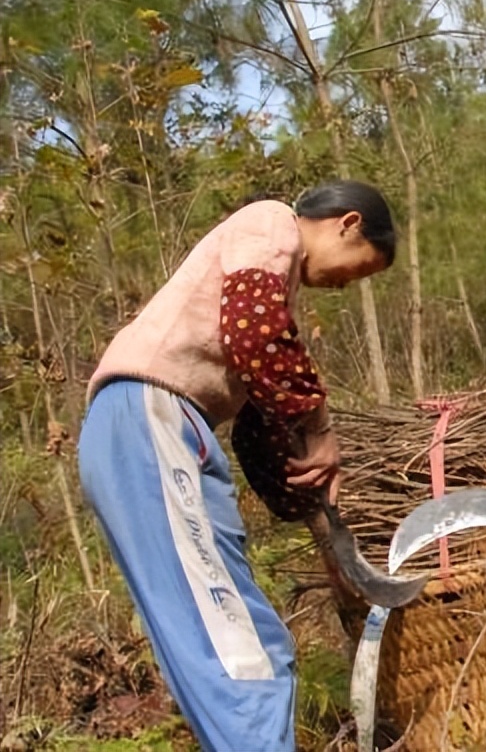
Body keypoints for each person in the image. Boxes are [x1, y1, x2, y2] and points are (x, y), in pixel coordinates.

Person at [78, 180, 396, 750]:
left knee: (225, 644)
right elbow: (259, 336)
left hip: (167, 429)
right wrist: (321, 427)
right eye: (358, 269)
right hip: (151, 418)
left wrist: (317, 512)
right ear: (347, 224)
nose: (349, 284)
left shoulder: (274, 290)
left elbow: (258, 429)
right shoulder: (271, 224)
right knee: (239, 649)